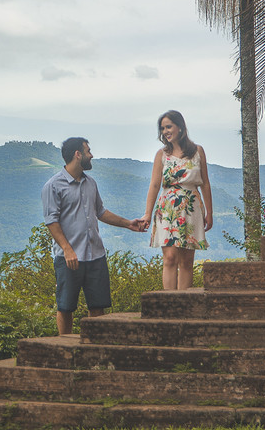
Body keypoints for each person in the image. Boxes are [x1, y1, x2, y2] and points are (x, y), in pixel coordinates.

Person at [42, 136, 147, 335]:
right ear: (77, 154)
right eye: (88, 151)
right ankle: (64, 348)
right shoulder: (53, 186)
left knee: (98, 306)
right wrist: (67, 250)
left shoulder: (91, 183)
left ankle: (95, 349)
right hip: (69, 257)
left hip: (95, 255)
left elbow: (100, 212)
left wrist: (128, 224)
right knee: (65, 307)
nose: (92, 155)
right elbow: (51, 221)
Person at [140, 110, 213, 290]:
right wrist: (147, 214)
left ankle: (184, 305)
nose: (165, 131)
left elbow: (205, 184)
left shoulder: (197, 151)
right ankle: (169, 304)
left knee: (186, 261)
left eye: (168, 126)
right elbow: (155, 185)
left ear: (180, 127)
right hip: (167, 207)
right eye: (162, 128)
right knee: (170, 257)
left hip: (192, 206)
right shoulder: (162, 154)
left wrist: (210, 213)